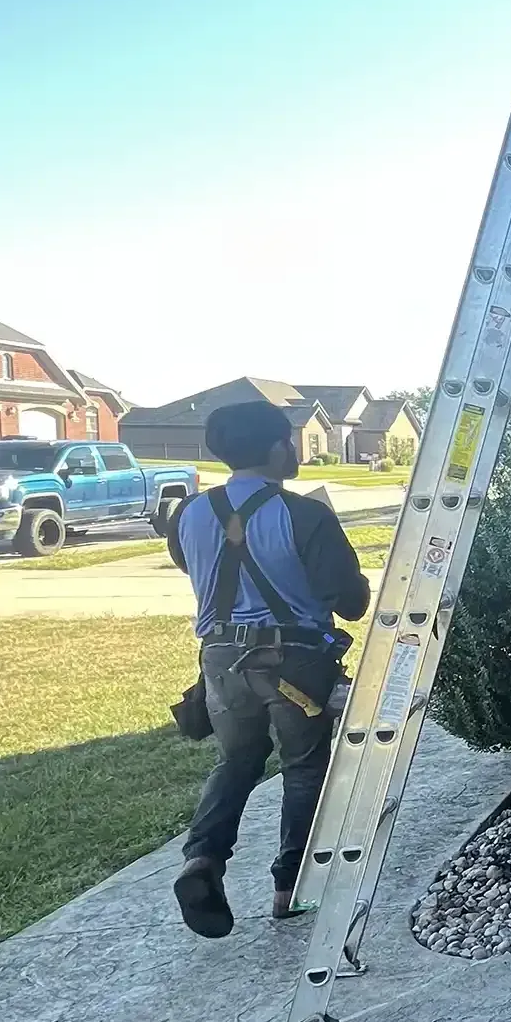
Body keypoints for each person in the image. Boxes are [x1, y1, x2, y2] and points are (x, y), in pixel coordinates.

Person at [166, 399, 370, 936]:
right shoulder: (306, 514)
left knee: (236, 761)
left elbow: (192, 565)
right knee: (304, 768)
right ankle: (291, 886)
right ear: (279, 446)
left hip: (221, 661)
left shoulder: (188, 513)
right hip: (295, 661)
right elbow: (350, 601)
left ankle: (202, 860)